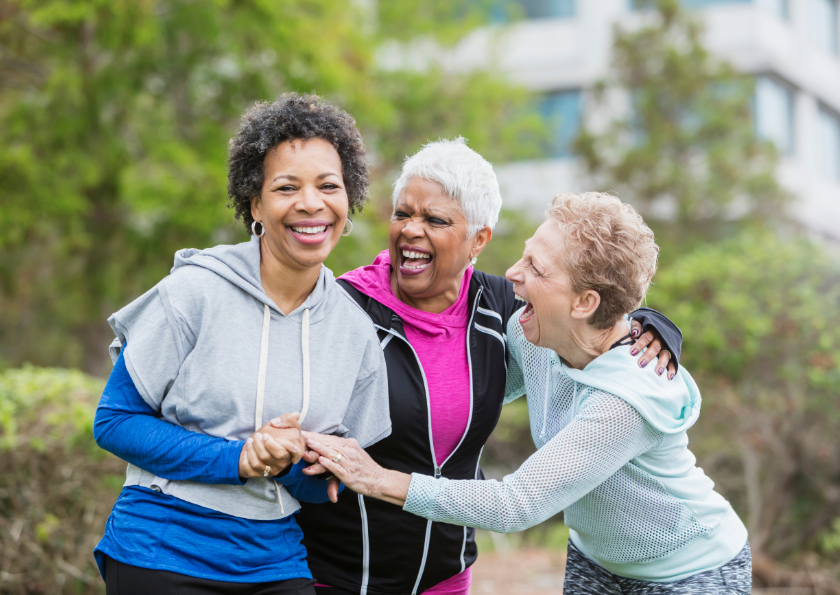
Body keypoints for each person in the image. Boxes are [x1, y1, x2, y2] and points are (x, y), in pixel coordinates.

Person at [261, 141, 681, 595]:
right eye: (403, 214)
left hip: (447, 575)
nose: (411, 231)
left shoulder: (505, 309)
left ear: (479, 239)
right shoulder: (342, 309)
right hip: (336, 576)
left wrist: (650, 324)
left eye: (435, 220)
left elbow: (588, 320)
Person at [306, 192, 751, 595]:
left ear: (584, 303)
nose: (512, 275)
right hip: (595, 560)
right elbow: (468, 382)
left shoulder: (627, 397)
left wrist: (377, 478)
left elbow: (515, 505)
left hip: (692, 571)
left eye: (536, 268)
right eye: (525, 257)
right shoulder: (539, 337)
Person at [91, 93, 392, 595]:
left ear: (348, 200)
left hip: (274, 560)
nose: (311, 204)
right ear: (255, 203)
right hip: (162, 547)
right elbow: (114, 422)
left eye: (328, 186)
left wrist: (292, 458)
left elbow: (325, 487)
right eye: (286, 187)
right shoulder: (193, 292)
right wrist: (239, 459)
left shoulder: (355, 333)